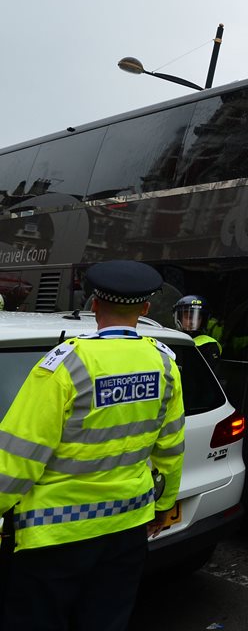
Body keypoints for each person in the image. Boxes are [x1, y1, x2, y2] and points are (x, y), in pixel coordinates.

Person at [0, 260, 186, 630]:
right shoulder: (165, 365)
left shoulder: (65, 365)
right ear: (146, 309)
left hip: (53, 537)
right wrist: (165, 505)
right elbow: (171, 447)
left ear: (94, 305)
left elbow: (18, 457)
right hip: (126, 528)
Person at [174, 294, 222, 365]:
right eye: (189, 317)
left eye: (197, 318)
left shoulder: (210, 344)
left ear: (203, 320)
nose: (192, 322)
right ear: (179, 318)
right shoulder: (171, 338)